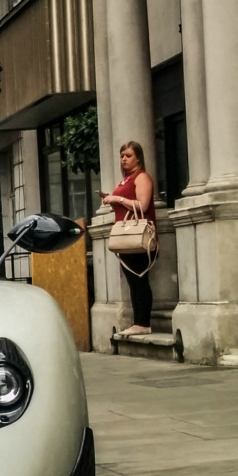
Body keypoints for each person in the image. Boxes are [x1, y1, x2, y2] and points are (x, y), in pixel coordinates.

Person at [101, 140, 156, 336]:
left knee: (139, 278)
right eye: (122, 156)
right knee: (133, 280)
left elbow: (143, 204)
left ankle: (143, 322)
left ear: (138, 158)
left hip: (139, 236)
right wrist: (112, 198)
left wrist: (117, 199)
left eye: (128, 156)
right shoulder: (125, 179)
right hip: (126, 236)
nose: (124, 159)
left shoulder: (142, 177)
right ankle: (139, 321)